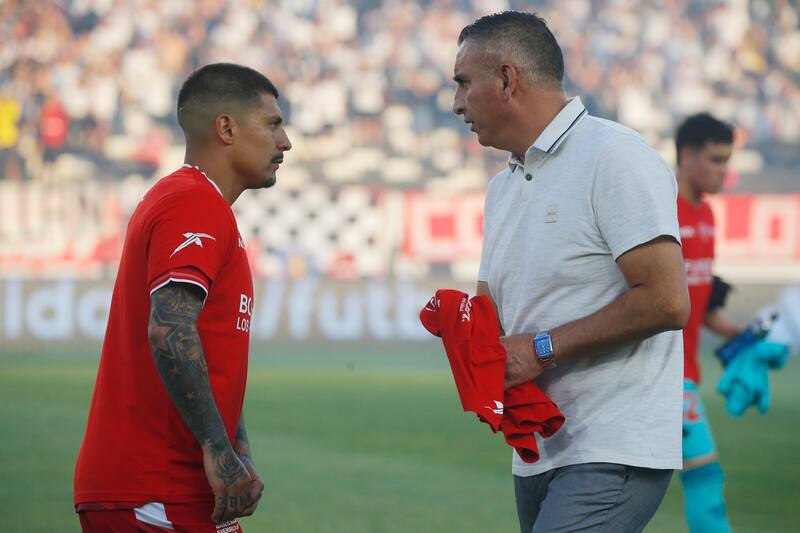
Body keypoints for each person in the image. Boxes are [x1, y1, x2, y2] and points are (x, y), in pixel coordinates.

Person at [452, 11, 690, 533]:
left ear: (508, 79)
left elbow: (667, 300)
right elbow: (491, 313)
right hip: (539, 447)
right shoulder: (504, 186)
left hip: (613, 442)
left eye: (465, 84)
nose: (456, 104)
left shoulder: (615, 156)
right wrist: (464, 332)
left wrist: (539, 349)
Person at [74, 63, 292, 532]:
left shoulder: (197, 202)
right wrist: (218, 448)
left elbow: (205, 350)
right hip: (154, 488)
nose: (285, 142)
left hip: (176, 491)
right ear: (226, 128)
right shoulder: (191, 201)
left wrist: (236, 449)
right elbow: (170, 328)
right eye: (273, 124)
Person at [675, 112, 738, 533]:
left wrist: (741, 335)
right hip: (661, 374)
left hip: (688, 374)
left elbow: (697, 306)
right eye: (716, 160)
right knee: (704, 478)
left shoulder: (708, 216)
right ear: (686, 155)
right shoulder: (659, 208)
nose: (723, 171)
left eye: (726, 160)